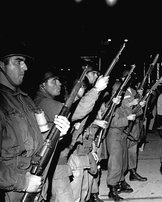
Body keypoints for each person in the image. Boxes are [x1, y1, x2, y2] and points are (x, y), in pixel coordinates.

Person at [0, 42, 70, 202]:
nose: (25, 67)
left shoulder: (26, 101)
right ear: (1, 65)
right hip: (11, 192)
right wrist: (22, 182)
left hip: (35, 187)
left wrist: (57, 133)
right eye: (18, 61)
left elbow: (39, 139)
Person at [34, 65, 109, 202]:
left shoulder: (44, 101)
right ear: (42, 85)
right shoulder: (44, 102)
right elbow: (76, 112)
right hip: (56, 163)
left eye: (59, 80)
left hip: (57, 160)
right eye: (54, 81)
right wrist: (96, 89)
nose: (59, 83)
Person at [67, 64, 109, 202]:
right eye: (93, 73)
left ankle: (92, 195)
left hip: (87, 143)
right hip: (76, 149)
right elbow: (79, 113)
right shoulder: (73, 100)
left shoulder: (88, 95)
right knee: (76, 189)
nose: (96, 76)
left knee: (85, 184)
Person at [105, 79, 137, 201]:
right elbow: (112, 122)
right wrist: (127, 119)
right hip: (114, 136)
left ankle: (121, 181)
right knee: (115, 164)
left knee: (123, 161)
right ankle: (112, 189)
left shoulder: (120, 104)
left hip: (122, 135)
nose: (122, 97)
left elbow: (128, 110)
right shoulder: (110, 105)